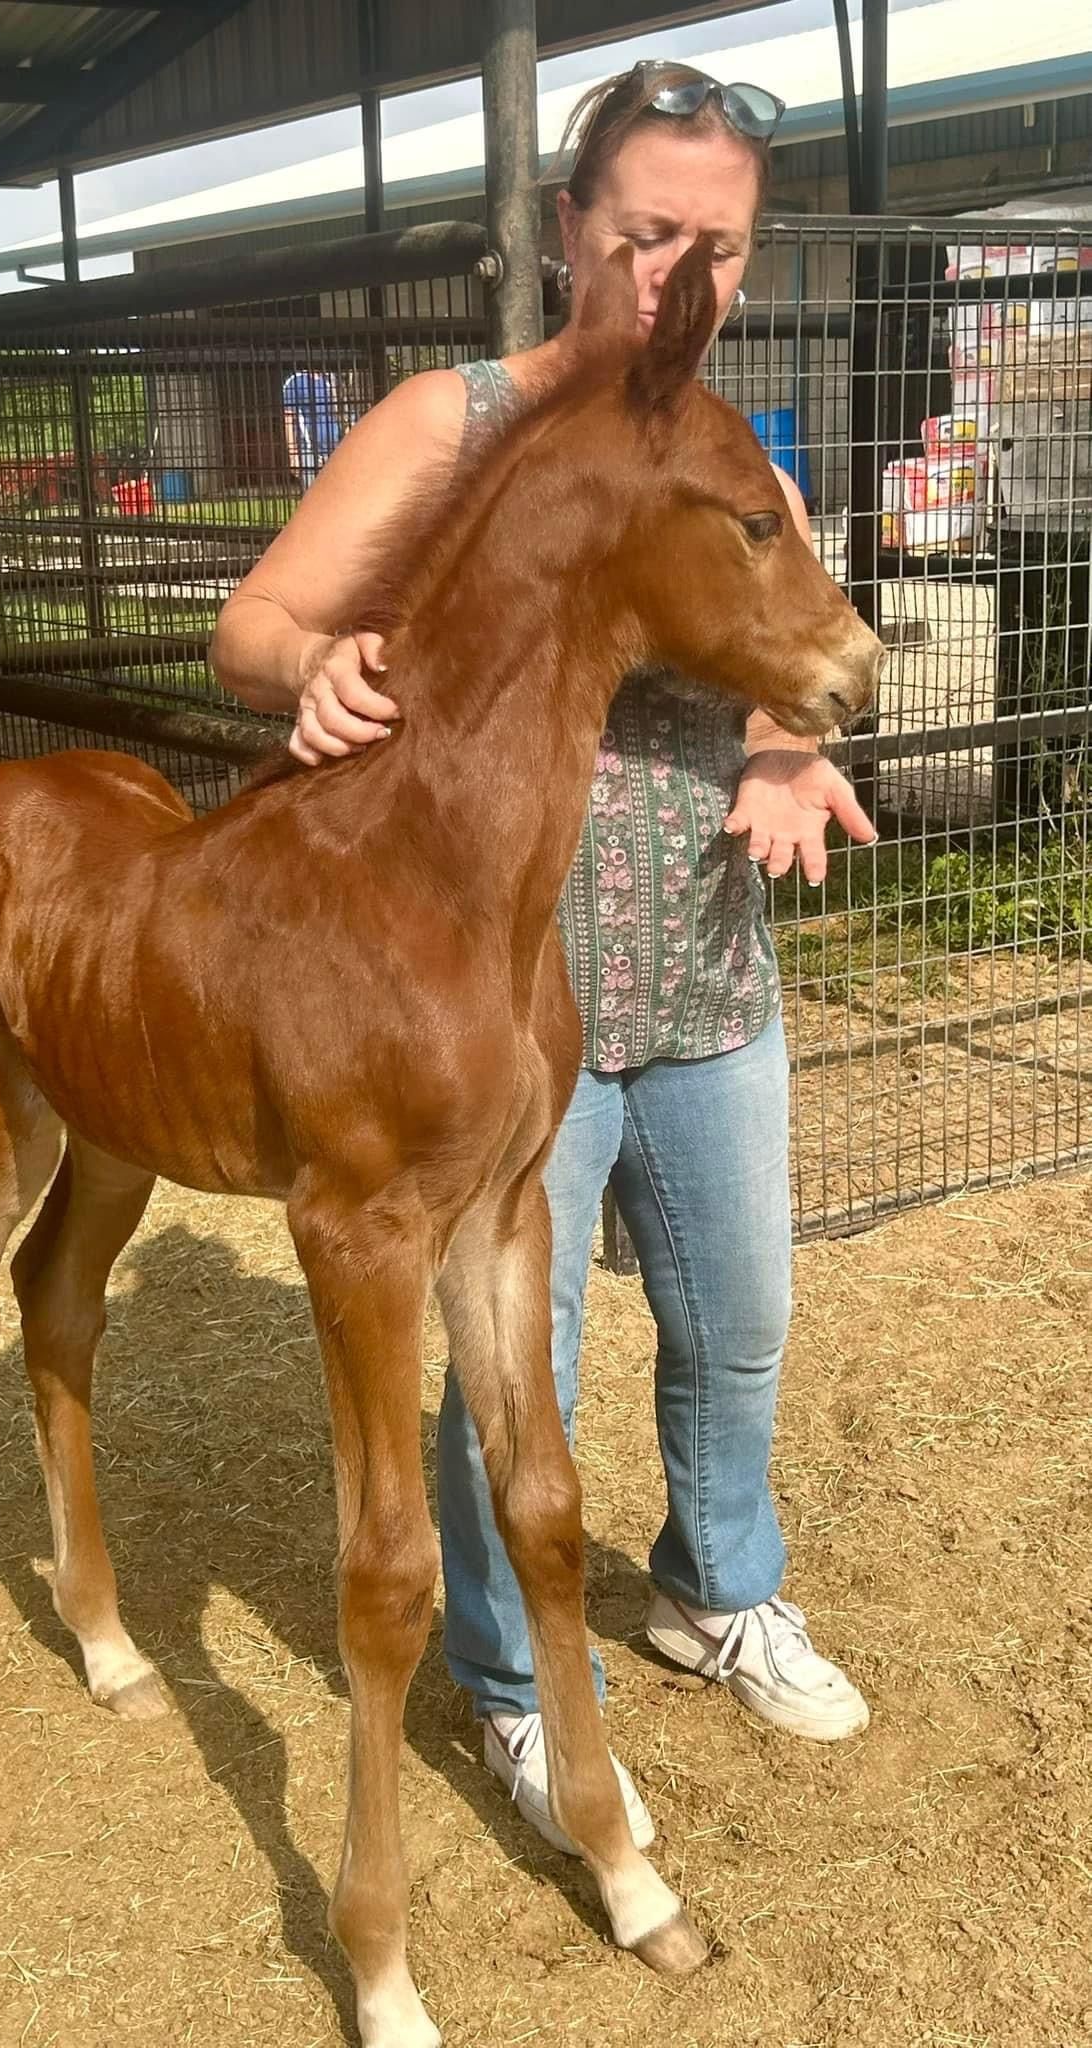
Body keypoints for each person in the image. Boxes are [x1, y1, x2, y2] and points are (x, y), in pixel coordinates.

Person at [211, 60, 876, 1858]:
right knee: (524, 1370)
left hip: (704, 975)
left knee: (735, 1329)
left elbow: (783, 647)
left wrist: (793, 748)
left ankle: (717, 1583)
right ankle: (510, 1688)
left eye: (718, 246)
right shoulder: (452, 424)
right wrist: (308, 667)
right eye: (649, 231)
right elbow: (250, 621)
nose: (682, 275)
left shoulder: (720, 444)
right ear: (569, 230)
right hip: (487, 1005)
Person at [281, 365, 343, 489]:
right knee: (313, 493)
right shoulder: (296, 380)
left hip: (334, 447)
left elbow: (335, 412)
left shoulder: (330, 378)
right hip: (308, 449)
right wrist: (293, 455)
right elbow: (288, 419)